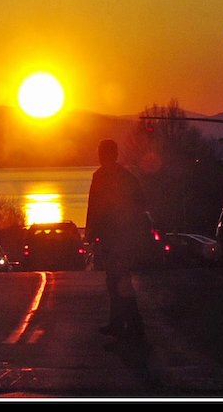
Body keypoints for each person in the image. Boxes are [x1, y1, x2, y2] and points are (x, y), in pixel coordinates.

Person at [86, 138, 149, 341]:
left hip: (114, 237)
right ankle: (122, 323)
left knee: (117, 280)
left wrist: (91, 233)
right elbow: (141, 204)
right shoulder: (127, 177)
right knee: (118, 280)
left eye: (101, 152)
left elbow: (94, 207)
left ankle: (130, 325)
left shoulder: (101, 176)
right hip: (122, 236)